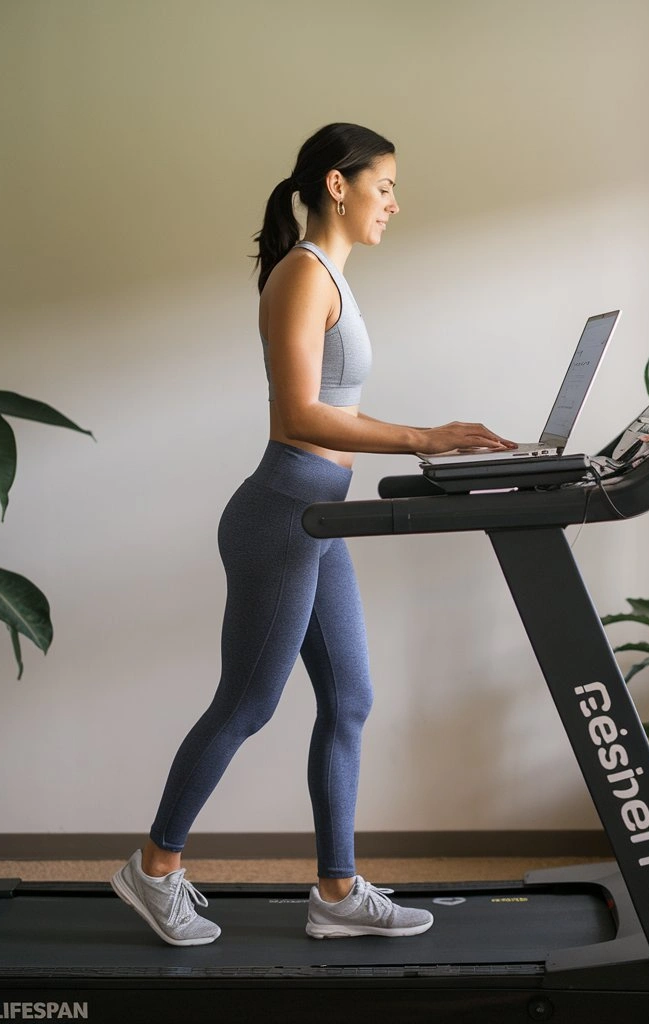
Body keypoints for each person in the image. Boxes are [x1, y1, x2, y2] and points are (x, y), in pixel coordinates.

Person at [111, 123, 514, 946]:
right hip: (282, 513)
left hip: (320, 515)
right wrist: (419, 438)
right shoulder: (302, 274)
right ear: (339, 183)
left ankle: (336, 891)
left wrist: (432, 439)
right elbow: (298, 416)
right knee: (249, 703)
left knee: (351, 699)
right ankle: (153, 867)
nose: (395, 202)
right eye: (386, 185)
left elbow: (337, 409)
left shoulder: (331, 275)